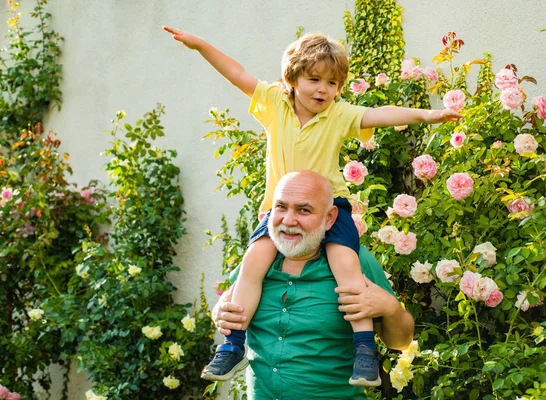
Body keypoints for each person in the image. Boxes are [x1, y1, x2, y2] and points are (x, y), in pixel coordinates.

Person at [162, 26, 457, 385]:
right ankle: (232, 345)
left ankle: (364, 350)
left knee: (347, 265)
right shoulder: (273, 102)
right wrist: (200, 45)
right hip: (277, 209)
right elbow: (236, 73)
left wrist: (428, 115)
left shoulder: (339, 115)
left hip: (329, 209)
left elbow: (380, 113)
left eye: (332, 83)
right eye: (314, 79)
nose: (323, 89)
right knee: (252, 263)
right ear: (292, 77)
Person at [213, 170, 415, 399]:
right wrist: (219, 313)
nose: (288, 220)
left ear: (329, 218)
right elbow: (228, 304)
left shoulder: (355, 261)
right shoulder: (257, 260)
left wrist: (390, 308)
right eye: (281, 207)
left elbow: (400, 342)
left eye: (304, 210)